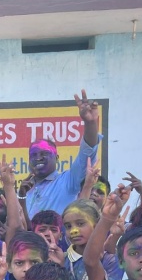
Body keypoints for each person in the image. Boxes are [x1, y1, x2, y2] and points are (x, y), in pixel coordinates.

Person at [22, 90, 102, 220]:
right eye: (33, 155)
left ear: (57, 158)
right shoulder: (24, 191)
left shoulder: (68, 181)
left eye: (44, 153)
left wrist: (90, 123)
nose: (38, 158)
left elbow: (87, 151)